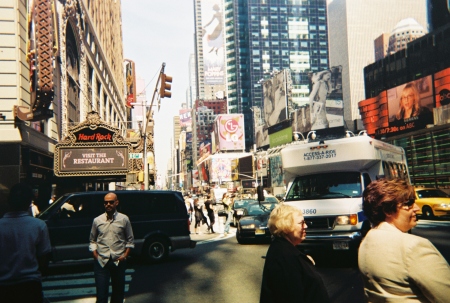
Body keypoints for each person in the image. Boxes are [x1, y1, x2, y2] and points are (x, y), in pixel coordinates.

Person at [358, 178, 450, 302]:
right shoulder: (414, 246)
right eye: (408, 203)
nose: (416, 208)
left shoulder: (366, 242)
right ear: (387, 210)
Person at [260, 204, 330, 303]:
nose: (306, 226)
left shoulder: (285, 250)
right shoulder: (285, 258)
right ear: (285, 226)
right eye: (301, 223)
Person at [0, 183, 51, 303]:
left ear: (9, 201)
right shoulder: (39, 225)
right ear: (29, 202)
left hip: (3, 287)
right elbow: (44, 258)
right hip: (30, 285)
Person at [89, 192, 134, 303]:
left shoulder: (124, 219)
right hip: (101, 262)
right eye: (106, 202)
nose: (108, 204)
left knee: (118, 295)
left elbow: (130, 240)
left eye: (111, 202)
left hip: (118, 261)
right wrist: (95, 254)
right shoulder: (97, 220)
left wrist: (125, 256)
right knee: (101, 295)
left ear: (116, 203)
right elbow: (92, 240)